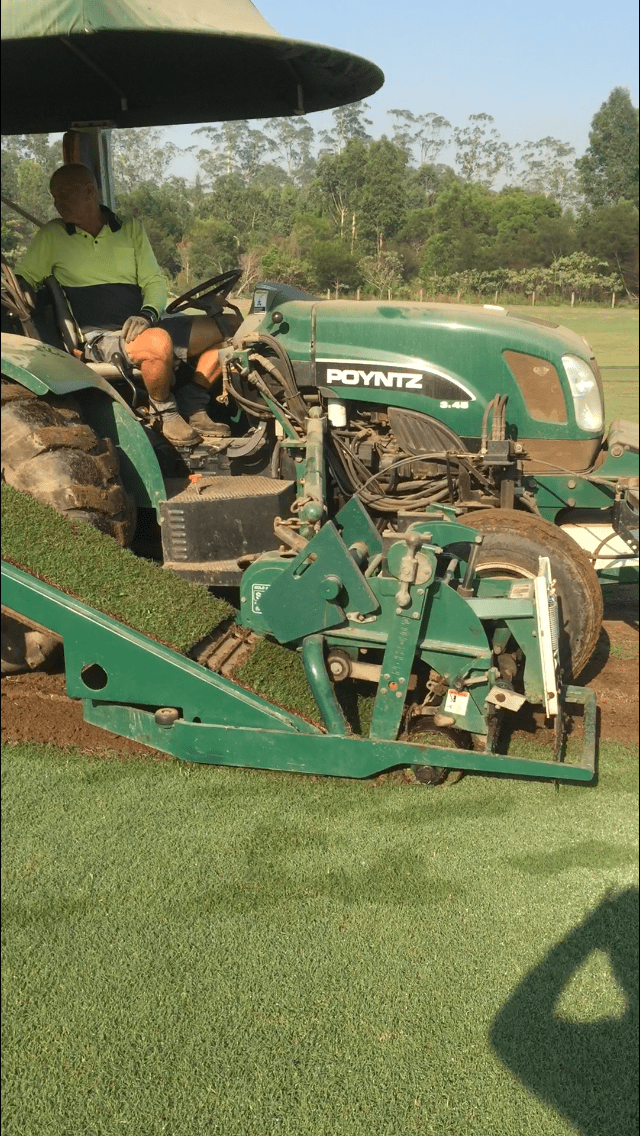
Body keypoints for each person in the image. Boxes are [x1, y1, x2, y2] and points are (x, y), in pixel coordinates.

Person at [16, 164, 240, 445]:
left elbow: (154, 282)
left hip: (146, 326)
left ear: (89, 191)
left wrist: (147, 315)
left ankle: (193, 400)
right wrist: (21, 289)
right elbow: (23, 278)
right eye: (53, 196)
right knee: (157, 344)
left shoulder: (130, 230)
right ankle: (164, 412)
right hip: (100, 338)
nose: (56, 203)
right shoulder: (53, 235)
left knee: (234, 329)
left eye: (62, 194)